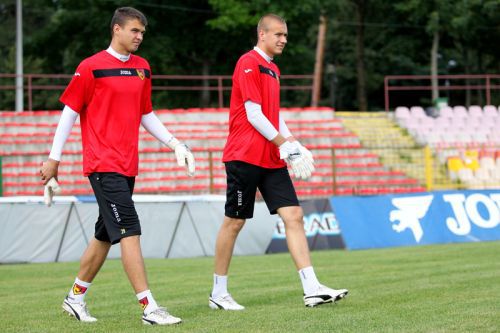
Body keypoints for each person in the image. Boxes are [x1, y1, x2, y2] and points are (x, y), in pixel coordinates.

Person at [39, 7, 194, 325]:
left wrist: (176, 144)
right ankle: (149, 308)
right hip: (102, 164)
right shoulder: (90, 67)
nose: (140, 37)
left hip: (127, 166)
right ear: (117, 30)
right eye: (135, 30)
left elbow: (145, 113)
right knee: (130, 231)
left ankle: (75, 298)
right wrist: (54, 159)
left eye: (142, 32)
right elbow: (69, 113)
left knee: (104, 235)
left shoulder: (143, 68)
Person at [209, 13, 348, 310]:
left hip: (271, 159)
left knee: (294, 216)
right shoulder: (248, 62)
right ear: (262, 34)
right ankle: (218, 293)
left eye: (285, 35)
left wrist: (294, 144)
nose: (283, 39)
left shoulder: (273, 69)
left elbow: (274, 114)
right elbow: (253, 114)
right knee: (234, 222)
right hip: (243, 155)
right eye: (278, 35)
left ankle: (311, 288)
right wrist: (284, 144)